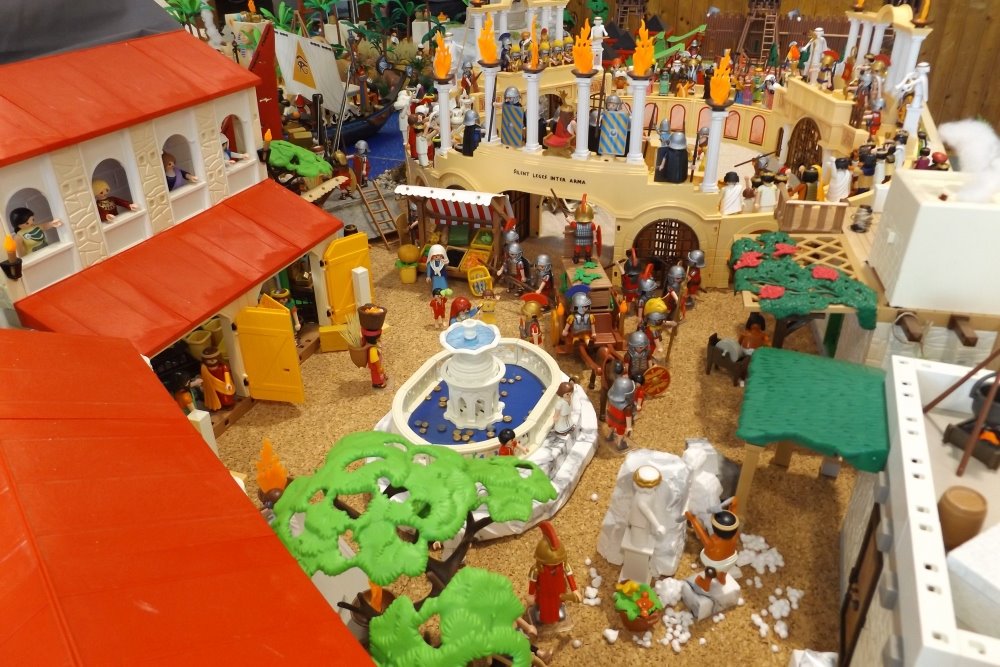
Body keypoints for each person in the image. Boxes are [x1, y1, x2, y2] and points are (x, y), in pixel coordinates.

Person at [527, 521, 581, 627]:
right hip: (543, 593)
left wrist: (574, 590)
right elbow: (532, 583)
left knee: (558, 602)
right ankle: (539, 612)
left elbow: (569, 576)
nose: (554, 564)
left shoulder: (563, 565)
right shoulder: (537, 569)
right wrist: (530, 594)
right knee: (541, 604)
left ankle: (557, 610)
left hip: (558, 591)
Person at [199, 347, 235, 411]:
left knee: (225, 397)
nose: (210, 362)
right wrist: (202, 385)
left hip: (222, 385)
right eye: (207, 361)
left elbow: (226, 374)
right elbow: (204, 377)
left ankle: (228, 404)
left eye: (212, 360)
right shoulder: (204, 368)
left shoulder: (223, 367)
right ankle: (215, 406)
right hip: (212, 387)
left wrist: (228, 383)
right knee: (215, 397)